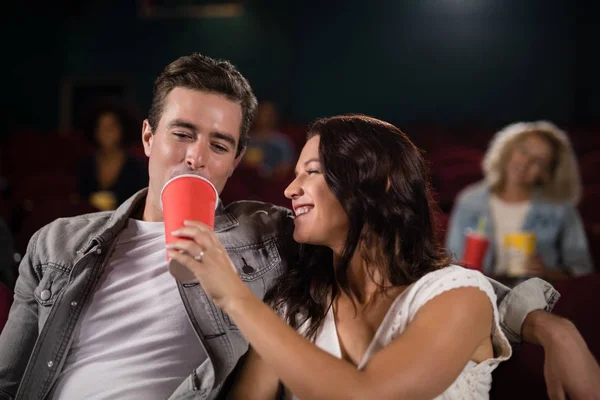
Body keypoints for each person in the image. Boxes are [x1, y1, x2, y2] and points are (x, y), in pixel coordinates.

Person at [0, 54, 598, 400]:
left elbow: (412, 272)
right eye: (181, 133)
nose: (194, 157)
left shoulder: (266, 237)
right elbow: (11, 375)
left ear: (236, 161)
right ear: (150, 138)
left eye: (220, 144)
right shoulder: (58, 243)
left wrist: (546, 323)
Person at [169, 115, 514, 399]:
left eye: (313, 171)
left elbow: (368, 394)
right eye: (294, 174)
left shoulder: (461, 295)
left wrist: (233, 296)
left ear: (381, 184)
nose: (290, 190)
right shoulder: (295, 308)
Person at [446, 121, 593, 282]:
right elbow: (451, 262)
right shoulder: (469, 201)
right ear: (508, 151)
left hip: (536, 297)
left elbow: (582, 268)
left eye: (538, 161)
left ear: (547, 172)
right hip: (479, 294)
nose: (525, 163)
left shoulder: (560, 208)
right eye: (523, 152)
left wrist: (548, 273)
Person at [77, 99, 148, 210]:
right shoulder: (86, 164)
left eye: (111, 127)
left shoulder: (137, 166)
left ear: (122, 129)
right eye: (100, 127)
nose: (105, 132)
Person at [243, 100, 295, 179]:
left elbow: (286, 167)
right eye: (262, 114)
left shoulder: (282, 142)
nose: (265, 118)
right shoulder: (246, 140)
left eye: (268, 115)